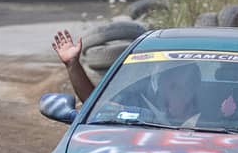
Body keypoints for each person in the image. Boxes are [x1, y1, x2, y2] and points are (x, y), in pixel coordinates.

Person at [51, 29, 200, 124]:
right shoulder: (139, 107)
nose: (169, 93)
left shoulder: (208, 121)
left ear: (193, 90)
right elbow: (95, 106)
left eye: (178, 87)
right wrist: (72, 65)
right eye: (166, 86)